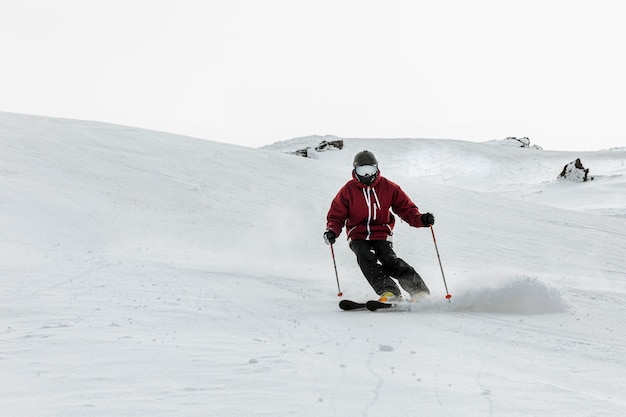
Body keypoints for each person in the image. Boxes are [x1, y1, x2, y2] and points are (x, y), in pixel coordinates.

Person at [324, 150, 434, 302]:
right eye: (362, 170)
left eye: (370, 170)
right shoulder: (348, 191)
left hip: (382, 231)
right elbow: (336, 215)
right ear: (355, 171)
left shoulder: (389, 187)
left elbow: (405, 209)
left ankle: (419, 291)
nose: (367, 175)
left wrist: (421, 219)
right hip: (358, 234)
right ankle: (390, 291)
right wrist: (332, 231)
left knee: (389, 259)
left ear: (377, 169)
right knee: (364, 257)